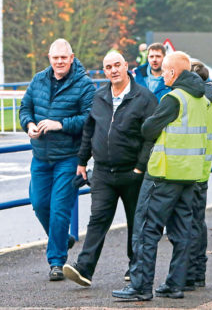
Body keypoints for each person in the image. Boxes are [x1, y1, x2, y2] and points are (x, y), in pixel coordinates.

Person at [113, 51, 212, 301]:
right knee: (182, 233)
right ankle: (175, 284)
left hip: (164, 174)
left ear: (172, 72)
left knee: (147, 230)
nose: (163, 75)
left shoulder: (174, 98)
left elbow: (148, 129)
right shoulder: (203, 100)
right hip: (190, 176)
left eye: (166, 71)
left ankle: (140, 286)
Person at [62, 52, 158, 287]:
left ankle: (135, 267)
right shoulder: (99, 96)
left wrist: (139, 168)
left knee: (136, 222)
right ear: (104, 71)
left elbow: (152, 136)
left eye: (117, 65)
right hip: (103, 171)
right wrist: (82, 162)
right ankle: (84, 268)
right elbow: (89, 130)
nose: (113, 70)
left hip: (132, 172)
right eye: (108, 67)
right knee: (97, 219)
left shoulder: (144, 98)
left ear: (127, 66)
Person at [19, 38, 96, 281]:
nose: (59, 62)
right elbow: (25, 108)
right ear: (49, 58)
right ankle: (63, 239)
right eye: (55, 58)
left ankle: (56, 261)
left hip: (68, 157)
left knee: (60, 209)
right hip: (40, 155)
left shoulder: (84, 85)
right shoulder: (39, 79)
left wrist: (59, 124)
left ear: (72, 58)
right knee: (40, 203)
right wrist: (28, 124)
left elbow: (89, 119)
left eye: (64, 57)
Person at [185, 60, 212, 290]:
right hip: (203, 169)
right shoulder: (211, 103)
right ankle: (198, 272)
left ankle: (189, 274)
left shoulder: (195, 104)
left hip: (188, 170)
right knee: (198, 223)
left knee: (188, 225)